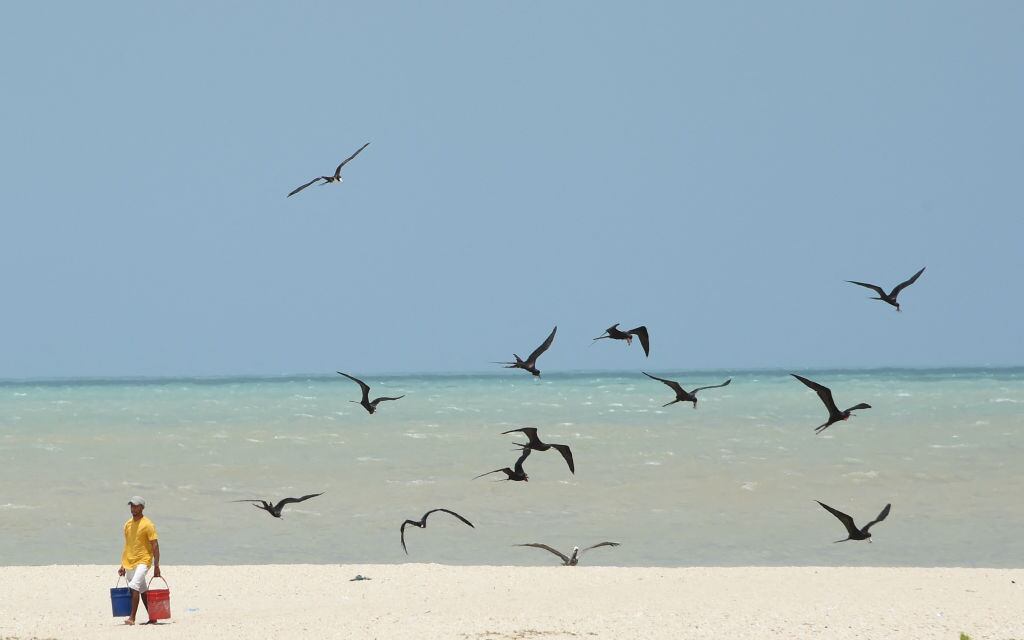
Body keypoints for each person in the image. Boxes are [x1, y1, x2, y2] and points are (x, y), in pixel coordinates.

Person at [117, 496, 160, 625]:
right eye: (132, 506)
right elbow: (128, 545)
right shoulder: (128, 524)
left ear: (142, 507)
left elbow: (155, 545)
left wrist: (156, 565)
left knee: (134, 586)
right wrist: (123, 564)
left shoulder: (148, 524)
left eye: (136, 506)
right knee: (142, 589)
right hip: (130, 561)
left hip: (144, 560)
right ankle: (153, 617)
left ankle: (132, 618)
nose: (133, 508)